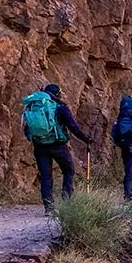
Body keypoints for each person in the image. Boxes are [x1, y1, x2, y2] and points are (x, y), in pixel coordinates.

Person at [22, 84, 93, 214]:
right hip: (57, 145)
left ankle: (49, 208)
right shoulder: (60, 107)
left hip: (39, 146)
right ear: (57, 93)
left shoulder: (34, 106)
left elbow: (27, 128)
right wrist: (86, 139)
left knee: (46, 176)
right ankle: (66, 203)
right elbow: (73, 127)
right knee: (68, 171)